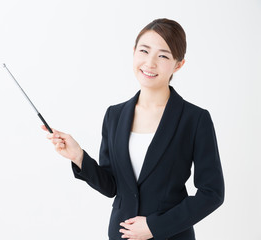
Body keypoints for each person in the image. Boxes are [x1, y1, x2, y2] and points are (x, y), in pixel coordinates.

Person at [42, 18, 224, 240]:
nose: (150, 63)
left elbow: (212, 194)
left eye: (163, 55)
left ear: (178, 64)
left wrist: (155, 226)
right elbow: (112, 186)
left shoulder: (195, 119)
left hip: (171, 236)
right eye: (144, 51)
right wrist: (79, 156)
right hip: (121, 235)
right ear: (134, 52)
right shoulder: (115, 115)